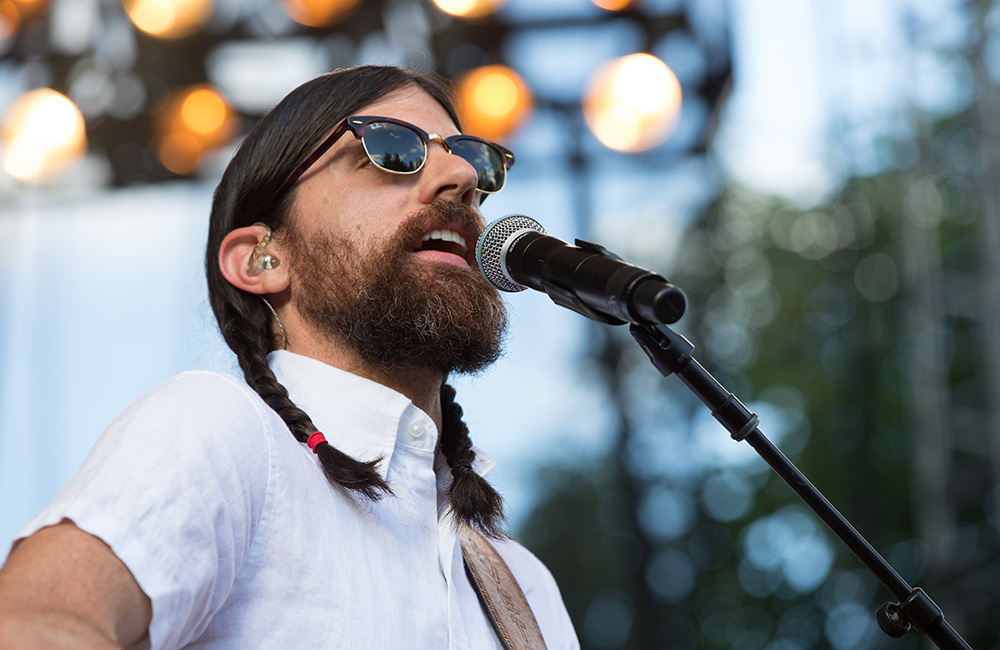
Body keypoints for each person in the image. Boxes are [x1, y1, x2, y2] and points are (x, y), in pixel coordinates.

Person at [0, 65, 579, 649]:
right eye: (391, 148)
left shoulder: (522, 587)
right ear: (263, 260)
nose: (460, 177)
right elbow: (33, 625)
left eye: (472, 160)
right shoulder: (225, 434)